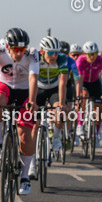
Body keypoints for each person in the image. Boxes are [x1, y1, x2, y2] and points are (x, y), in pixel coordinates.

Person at [0, 28, 39, 196]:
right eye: (16, 50)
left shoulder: (33, 53)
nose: (19, 53)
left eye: (23, 49)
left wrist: (32, 101)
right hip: (4, 86)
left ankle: (25, 177)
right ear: (7, 46)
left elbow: (34, 78)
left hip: (25, 91)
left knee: (25, 136)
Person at [34, 36, 72, 167]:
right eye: (50, 52)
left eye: (56, 52)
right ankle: (33, 156)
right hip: (38, 88)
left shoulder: (62, 59)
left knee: (61, 113)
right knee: (33, 120)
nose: (54, 56)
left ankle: (56, 136)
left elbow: (63, 81)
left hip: (54, 89)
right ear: (42, 51)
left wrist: (61, 104)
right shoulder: (36, 58)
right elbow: (31, 79)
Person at [75, 41, 102, 144]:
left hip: (95, 83)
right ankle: (80, 124)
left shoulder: (101, 60)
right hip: (84, 82)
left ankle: (97, 132)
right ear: (84, 54)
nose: (92, 57)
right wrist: (79, 94)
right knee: (84, 97)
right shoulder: (80, 60)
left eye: (94, 54)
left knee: (98, 109)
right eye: (89, 54)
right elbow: (79, 78)